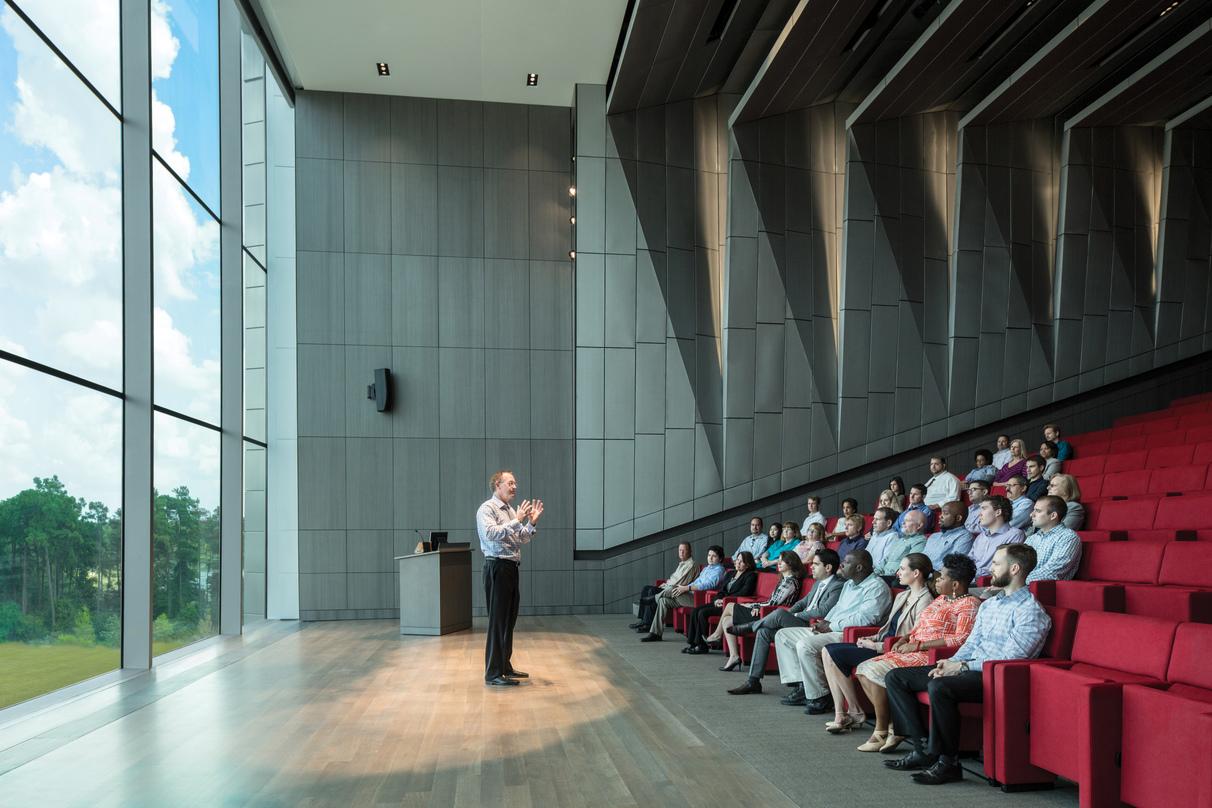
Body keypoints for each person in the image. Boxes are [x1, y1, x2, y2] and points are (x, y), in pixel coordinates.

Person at [883, 544, 1051, 785]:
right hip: (969, 668)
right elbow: (972, 643)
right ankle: (922, 750)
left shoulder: (1030, 611)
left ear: (1014, 569)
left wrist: (961, 667)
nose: (990, 568)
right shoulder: (991, 604)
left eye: (996, 563)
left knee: (940, 687)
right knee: (896, 677)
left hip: (994, 677)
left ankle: (948, 763)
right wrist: (949, 662)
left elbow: (1011, 658)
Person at [849, 553, 980, 753]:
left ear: (955, 585)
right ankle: (892, 726)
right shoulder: (941, 599)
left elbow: (960, 639)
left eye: (942, 578)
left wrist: (918, 646)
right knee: (862, 669)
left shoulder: (969, 604)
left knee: (871, 669)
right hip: (913, 648)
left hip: (931, 655)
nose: (936, 581)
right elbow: (922, 626)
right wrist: (906, 637)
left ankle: (881, 730)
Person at [818, 554, 935, 731]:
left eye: (903, 569)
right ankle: (842, 713)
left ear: (916, 573)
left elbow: (913, 637)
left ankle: (862, 715)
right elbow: (889, 627)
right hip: (882, 643)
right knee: (828, 651)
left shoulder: (925, 600)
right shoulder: (903, 595)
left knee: (834, 653)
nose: (898, 572)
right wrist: (873, 638)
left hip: (894, 650)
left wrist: (877, 646)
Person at [770, 550, 892, 712]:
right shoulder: (849, 584)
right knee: (783, 635)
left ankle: (820, 696)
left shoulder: (877, 587)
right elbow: (838, 608)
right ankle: (803, 688)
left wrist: (831, 626)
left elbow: (866, 619)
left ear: (859, 567)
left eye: (847, 562)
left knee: (805, 645)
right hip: (832, 628)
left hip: (850, 634)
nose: (842, 565)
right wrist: (825, 622)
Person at [726, 550, 844, 690]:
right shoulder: (818, 583)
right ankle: (753, 681)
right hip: (800, 622)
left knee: (780, 613)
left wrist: (794, 616)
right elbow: (802, 603)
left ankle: (751, 626)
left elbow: (823, 611)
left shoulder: (837, 585)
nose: (811, 566)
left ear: (828, 568)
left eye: (815, 564)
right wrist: (790, 613)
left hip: (813, 626)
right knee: (764, 631)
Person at [477, 470, 545, 687]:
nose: (515, 487)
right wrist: (517, 520)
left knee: (509, 620)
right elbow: (491, 534)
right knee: (497, 622)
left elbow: (520, 539)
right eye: (510, 483)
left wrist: (531, 524)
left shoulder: (509, 511)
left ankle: (504, 666)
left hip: (511, 568)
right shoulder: (487, 509)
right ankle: (493, 673)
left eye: (515, 483)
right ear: (498, 485)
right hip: (496, 567)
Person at [707, 551, 806, 670]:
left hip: (769, 616)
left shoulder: (791, 582)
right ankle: (734, 656)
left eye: (782, 561)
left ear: (790, 563)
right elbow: (770, 601)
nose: (778, 563)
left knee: (729, 606)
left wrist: (755, 607)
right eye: (778, 560)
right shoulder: (784, 580)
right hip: (765, 610)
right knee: (727, 620)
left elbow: (772, 604)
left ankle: (717, 635)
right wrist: (753, 605)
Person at [642, 545, 727, 641]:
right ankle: (655, 633)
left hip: (701, 598)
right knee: (663, 601)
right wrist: (684, 588)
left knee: (673, 588)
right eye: (709, 555)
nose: (710, 558)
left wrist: (687, 588)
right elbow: (696, 582)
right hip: (690, 595)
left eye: (714, 556)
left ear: (720, 559)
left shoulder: (719, 570)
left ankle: (653, 599)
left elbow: (708, 585)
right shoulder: (707, 568)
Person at [684, 552, 758, 654]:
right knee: (695, 610)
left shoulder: (750, 575)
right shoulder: (731, 573)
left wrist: (725, 600)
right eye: (738, 560)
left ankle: (701, 646)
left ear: (748, 564)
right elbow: (721, 590)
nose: (738, 562)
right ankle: (693, 643)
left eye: (742, 561)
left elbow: (744, 593)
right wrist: (717, 599)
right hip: (721, 602)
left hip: (732, 605)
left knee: (702, 613)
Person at [629, 542, 695, 631]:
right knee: (646, 588)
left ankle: (648, 624)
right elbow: (673, 578)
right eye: (680, 550)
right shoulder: (682, 564)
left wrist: (666, 586)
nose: (681, 552)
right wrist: (666, 584)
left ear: (690, 551)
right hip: (668, 586)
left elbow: (682, 582)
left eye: (684, 550)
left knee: (652, 591)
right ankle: (643, 620)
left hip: (675, 591)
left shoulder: (691, 565)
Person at [1025, 496, 1082, 584]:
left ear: (1053, 516)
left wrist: (1018, 581)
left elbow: (1052, 571)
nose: (1031, 514)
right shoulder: (1032, 538)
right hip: (1016, 587)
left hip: (1041, 591)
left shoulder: (1068, 537)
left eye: (1038, 511)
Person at [968, 495, 1026, 578]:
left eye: (984, 508)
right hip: (970, 580)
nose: (979, 514)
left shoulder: (1015, 535)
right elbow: (968, 562)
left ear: (998, 512)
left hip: (990, 583)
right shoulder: (981, 537)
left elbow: (1004, 568)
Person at [877, 509, 928, 579]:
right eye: (904, 520)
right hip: (883, 575)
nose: (903, 523)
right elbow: (886, 559)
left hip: (895, 578)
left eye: (907, 520)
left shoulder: (920, 541)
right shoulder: (900, 540)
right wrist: (876, 572)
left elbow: (909, 565)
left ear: (919, 525)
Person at [922, 502, 974, 570]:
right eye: (941, 513)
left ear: (958, 518)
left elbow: (953, 566)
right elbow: (921, 559)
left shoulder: (965, 537)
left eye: (945, 513)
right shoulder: (934, 536)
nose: (940, 516)